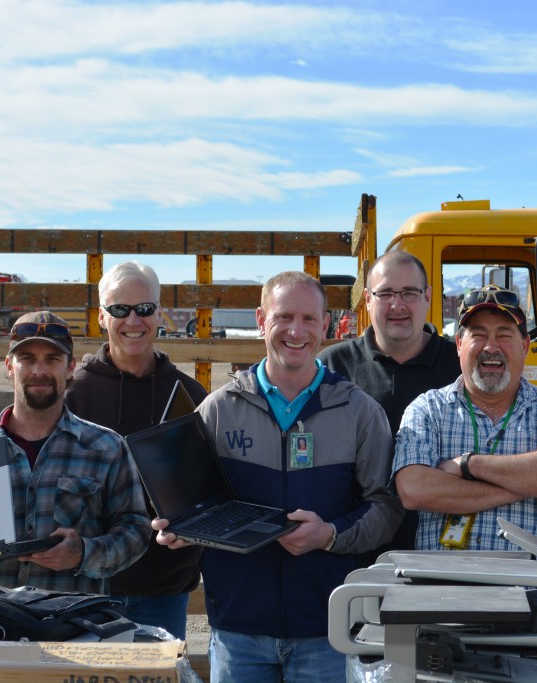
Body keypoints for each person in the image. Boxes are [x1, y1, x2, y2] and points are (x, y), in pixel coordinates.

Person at [154, 270, 403, 682]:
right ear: (260, 320)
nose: (296, 331)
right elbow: (193, 503)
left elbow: (387, 506)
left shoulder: (359, 412)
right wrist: (179, 526)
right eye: (284, 317)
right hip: (238, 633)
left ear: (326, 325)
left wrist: (330, 534)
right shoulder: (218, 411)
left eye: (309, 319)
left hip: (326, 631)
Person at [0, 310, 151, 595]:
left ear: (70, 368)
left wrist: (83, 553)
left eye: (52, 359)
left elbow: (136, 529)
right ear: (9, 366)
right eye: (27, 359)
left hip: (71, 623)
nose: (39, 371)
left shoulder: (106, 448)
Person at [64, 260, 208, 640]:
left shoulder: (190, 396)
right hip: (85, 589)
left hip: (163, 588)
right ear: (101, 317)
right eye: (120, 310)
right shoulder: (72, 395)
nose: (133, 320)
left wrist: (194, 533)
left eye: (144, 309)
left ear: (159, 313)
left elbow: (206, 488)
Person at [393, 285, 537, 551]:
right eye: (479, 334)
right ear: (460, 345)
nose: (491, 346)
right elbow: (413, 489)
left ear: (525, 346)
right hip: (446, 588)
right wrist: (530, 481)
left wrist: (467, 465)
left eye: (504, 334)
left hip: (534, 590)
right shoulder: (428, 409)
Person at [318, 250, 460, 552]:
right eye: (385, 294)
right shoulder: (331, 368)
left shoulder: (460, 367)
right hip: (351, 549)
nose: (397, 305)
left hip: (440, 550)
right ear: (368, 300)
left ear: (428, 297)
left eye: (409, 292)